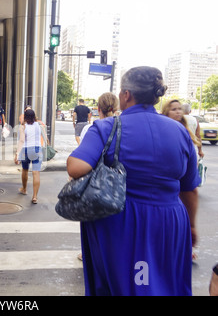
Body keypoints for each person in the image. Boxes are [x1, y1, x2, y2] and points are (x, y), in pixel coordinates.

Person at [67, 66, 200, 296]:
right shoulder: (180, 132)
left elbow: (76, 167)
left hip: (120, 220)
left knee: (122, 285)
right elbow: (189, 189)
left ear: (126, 94)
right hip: (170, 220)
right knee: (164, 284)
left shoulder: (107, 127)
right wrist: (192, 226)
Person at [76, 92, 119, 262]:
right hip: (114, 181)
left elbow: (81, 159)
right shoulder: (122, 127)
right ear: (116, 108)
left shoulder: (91, 128)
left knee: (92, 220)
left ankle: (87, 253)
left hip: (94, 181)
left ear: (98, 109)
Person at [14, 109, 47, 204]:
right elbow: (45, 137)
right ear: (34, 116)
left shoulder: (23, 126)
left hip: (25, 150)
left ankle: (24, 189)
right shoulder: (39, 125)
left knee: (25, 170)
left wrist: (17, 154)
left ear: (25, 117)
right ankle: (35, 196)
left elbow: (21, 141)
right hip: (37, 149)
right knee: (36, 173)